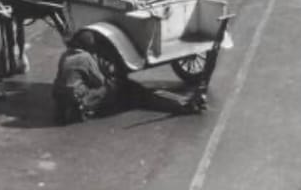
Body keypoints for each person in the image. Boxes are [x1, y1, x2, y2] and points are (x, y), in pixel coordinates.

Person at [52, 31, 209, 125]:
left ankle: (183, 103)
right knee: (140, 94)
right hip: (81, 98)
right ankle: (183, 104)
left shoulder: (65, 55)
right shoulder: (85, 58)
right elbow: (100, 81)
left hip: (61, 96)